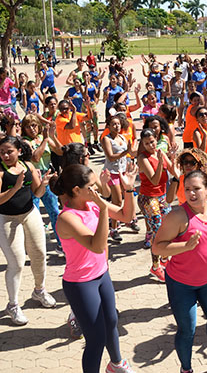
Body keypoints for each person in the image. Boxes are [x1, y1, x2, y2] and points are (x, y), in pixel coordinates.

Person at [152, 170, 207, 373]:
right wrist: (185, 246)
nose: (191, 193)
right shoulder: (177, 216)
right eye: (188, 189)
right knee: (187, 330)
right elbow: (157, 247)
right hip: (181, 284)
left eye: (196, 189)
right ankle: (186, 369)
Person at [52, 164, 136, 373]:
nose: (96, 190)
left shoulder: (93, 204)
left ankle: (116, 364)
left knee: (112, 322)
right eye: (91, 186)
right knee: (96, 339)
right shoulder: (67, 218)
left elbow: (127, 216)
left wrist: (128, 190)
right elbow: (97, 246)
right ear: (76, 190)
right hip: (80, 283)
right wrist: (105, 210)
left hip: (102, 275)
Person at [0, 136, 56, 325]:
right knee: (16, 263)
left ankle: (39, 290)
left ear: (19, 151)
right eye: (2, 152)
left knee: (39, 254)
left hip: (29, 214)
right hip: (6, 219)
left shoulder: (28, 167)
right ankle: (13, 305)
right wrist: (15, 188)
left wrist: (44, 184)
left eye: (10, 151)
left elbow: (37, 193)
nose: (6, 155)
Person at [21, 115, 63, 254]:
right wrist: (45, 140)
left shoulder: (42, 138)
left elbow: (60, 151)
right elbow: (35, 157)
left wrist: (52, 136)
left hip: (48, 175)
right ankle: (35, 247)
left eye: (34, 125)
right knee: (35, 215)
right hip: (33, 177)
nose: (32, 129)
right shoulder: (24, 141)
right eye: (28, 126)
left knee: (54, 211)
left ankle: (60, 244)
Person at [137, 128, 173, 282]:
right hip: (148, 198)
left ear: (156, 139)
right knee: (157, 232)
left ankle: (165, 259)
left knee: (169, 227)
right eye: (146, 143)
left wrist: (172, 156)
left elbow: (173, 169)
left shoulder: (160, 152)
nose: (150, 145)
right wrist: (160, 163)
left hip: (162, 196)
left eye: (152, 142)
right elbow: (154, 179)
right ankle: (155, 266)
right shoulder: (142, 158)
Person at [101, 113, 133, 242]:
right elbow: (110, 156)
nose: (116, 126)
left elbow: (130, 154)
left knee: (127, 198)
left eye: (118, 124)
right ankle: (113, 229)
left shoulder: (122, 137)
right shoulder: (106, 139)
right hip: (112, 172)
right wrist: (126, 152)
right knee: (117, 201)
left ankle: (123, 220)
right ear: (108, 126)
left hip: (123, 172)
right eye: (113, 124)